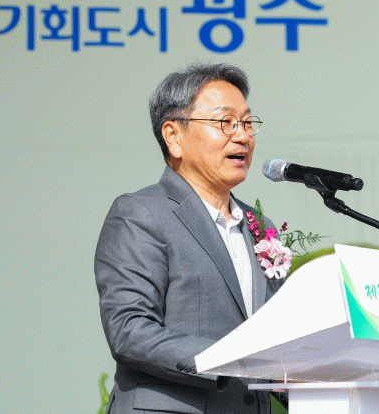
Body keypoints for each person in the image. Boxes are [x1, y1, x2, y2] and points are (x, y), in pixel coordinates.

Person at [94, 63, 285, 414]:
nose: (242, 136)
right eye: (225, 122)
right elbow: (130, 330)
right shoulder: (141, 213)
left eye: (247, 123)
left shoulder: (259, 226)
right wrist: (231, 359)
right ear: (174, 136)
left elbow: (276, 336)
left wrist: (302, 374)